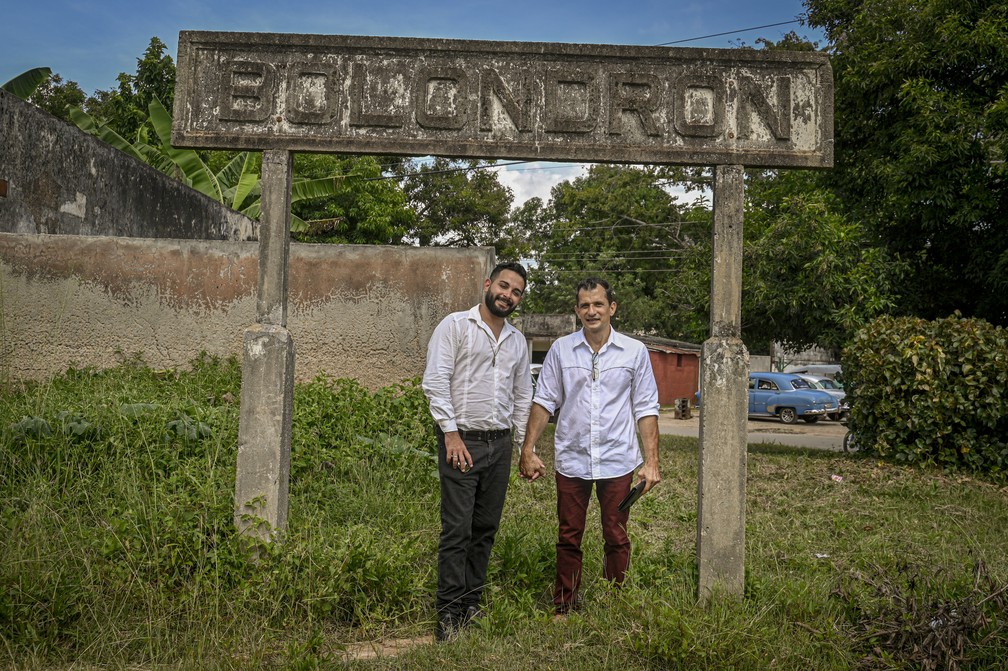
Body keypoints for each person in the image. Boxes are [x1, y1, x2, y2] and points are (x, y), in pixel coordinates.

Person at [519, 277, 660, 617]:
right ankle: (564, 606)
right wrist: (528, 448)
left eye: (598, 304)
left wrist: (651, 462)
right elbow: (544, 400)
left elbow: (646, 407)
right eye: (585, 305)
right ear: (576, 311)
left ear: (612, 308)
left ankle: (616, 603)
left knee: (616, 534)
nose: (591, 311)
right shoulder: (561, 349)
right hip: (572, 460)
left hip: (618, 460)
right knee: (569, 535)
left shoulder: (634, 351)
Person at [422, 261, 533, 641]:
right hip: (462, 441)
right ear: (488, 284)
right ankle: (448, 614)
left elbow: (522, 397)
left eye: (516, 292)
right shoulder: (455, 326)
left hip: (499, 445)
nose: (508, 295)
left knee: (485, 528)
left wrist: (522, 448)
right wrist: (450, 435)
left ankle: (471, 603)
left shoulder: (518, 341)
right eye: (504, 286)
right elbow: (435, 382)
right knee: (457, 529)